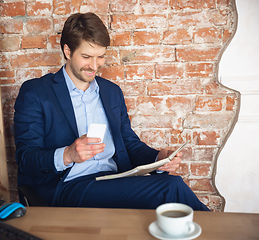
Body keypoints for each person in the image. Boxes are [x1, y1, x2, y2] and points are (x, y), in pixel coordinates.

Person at [13, 12, 209, 211]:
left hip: (114, 180)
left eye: (101, 57)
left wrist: (158, 159)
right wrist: (68, 154)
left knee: (169, 189)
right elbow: (26, 158)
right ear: (67, 51)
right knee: (170, 188)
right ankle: (219, 228)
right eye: (87, 56)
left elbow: (129, 144)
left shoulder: (111, 92)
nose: (94, 65)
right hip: (69, 185)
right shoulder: (36, 92)